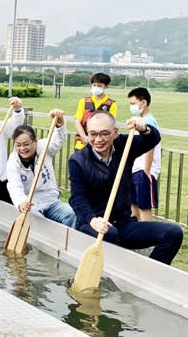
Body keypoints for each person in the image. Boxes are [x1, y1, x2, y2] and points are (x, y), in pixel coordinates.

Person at [68, 111, 183, 265]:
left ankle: (151, 274)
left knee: (173, 233)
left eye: (104, 134)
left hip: (123, 224)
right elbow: (77, 197)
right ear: (87, 134)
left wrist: (144, 129)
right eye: (93, 134)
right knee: (110, 234)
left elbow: (153, 139)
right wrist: (92, 220)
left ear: (115, 133)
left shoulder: (124, 145)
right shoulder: (78, 160)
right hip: (94, 224)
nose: (98, 140)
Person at [6, 109, 76, 227]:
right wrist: (21, 202)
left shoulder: (44, 147)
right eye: (18, 145)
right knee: (39, 223)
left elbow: (58, 140)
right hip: (31, 206)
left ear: (35, 142)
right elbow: (14, 186)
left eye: (26, 144)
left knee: (72, 214)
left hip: (51, 202)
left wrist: (59, 123)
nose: (22, 148)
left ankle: (68, 243)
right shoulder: (13, 161)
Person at [127, 87, 161, 221]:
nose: (131, 107)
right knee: (133, 205)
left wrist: (147, 170)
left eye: (133, 103)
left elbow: (150, 146)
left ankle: (148, 239)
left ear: (144, 103)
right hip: (136, 169)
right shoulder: (139, 120)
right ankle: (134, 236)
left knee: (143, 207)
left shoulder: (149, 121)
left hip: (144, 170)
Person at [74, 72, 117, 150]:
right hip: (82, 144)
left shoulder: (111, 104)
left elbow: (110, 124)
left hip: (100, 146)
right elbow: (78, 121)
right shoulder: (83, 101)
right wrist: (84, 137)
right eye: (94, 85)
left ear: (106, 86)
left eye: (99, 85)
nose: (96, 87)